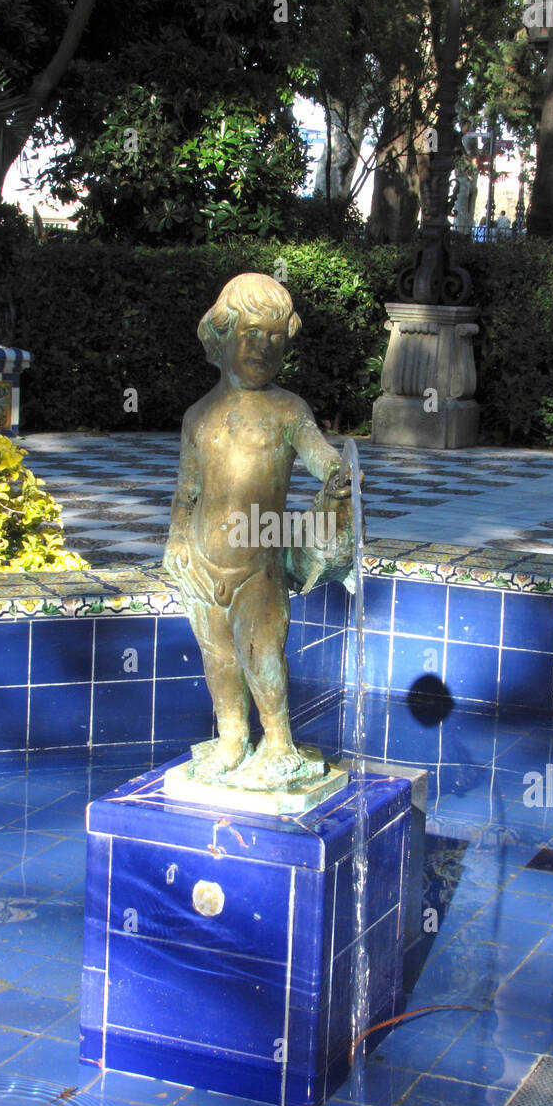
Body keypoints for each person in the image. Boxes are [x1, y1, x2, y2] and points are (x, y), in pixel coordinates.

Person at [162, 273, 345, 786]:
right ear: (220, 338)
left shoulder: (288, 410)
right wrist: (176, 539)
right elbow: (187, 489)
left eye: (274, 338)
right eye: (250, 335)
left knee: (262, 652)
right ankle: (231, 738)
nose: (263, 347)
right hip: (202, 560)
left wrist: (337, 472)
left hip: (259, 552)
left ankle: (279, 741)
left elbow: (318, 453)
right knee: (219, 656)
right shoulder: (199, 415)